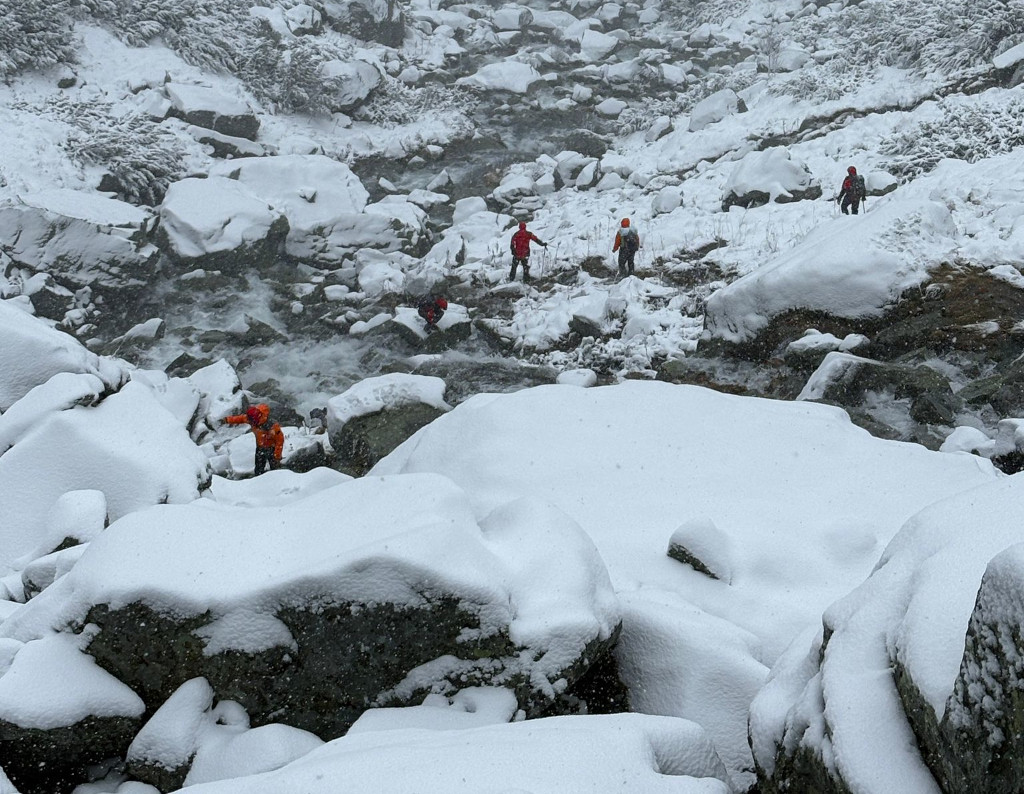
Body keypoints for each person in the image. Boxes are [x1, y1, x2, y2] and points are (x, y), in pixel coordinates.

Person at [224, 403, 284, 475]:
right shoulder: (251, 418)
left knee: (275, 470)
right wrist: (227, 420)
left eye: (252, 422)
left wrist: (277, 456)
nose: (251, 423)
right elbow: (240, 418)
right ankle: (258, 481)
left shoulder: (272, 425)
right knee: (258, 470)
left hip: (271, 448)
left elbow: (280, 440)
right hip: (260, 447)